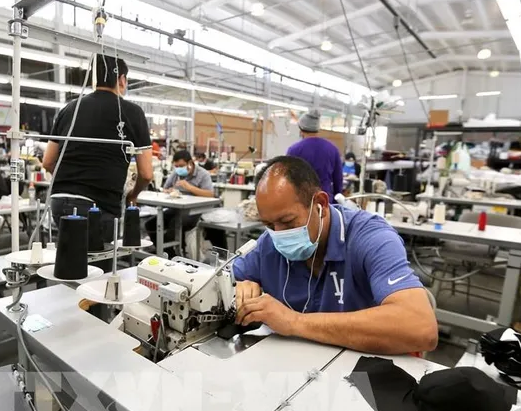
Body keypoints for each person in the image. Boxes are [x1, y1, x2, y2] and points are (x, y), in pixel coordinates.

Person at [233, 156, 437, 355]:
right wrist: (238, 287)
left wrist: (293, 321)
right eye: (269, 225)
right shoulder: (269, 243)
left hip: (362, 367)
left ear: (320, 204)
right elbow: (223, 277)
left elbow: (420, 328)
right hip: (299, 363)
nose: (279, 234)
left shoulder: (370, 238)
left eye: (288, 222)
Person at [43, 54, 153, 249]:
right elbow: (146, 174)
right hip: (98, 206)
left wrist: (70, 182)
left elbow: (48, 162)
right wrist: (133, 195)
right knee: (97, 264)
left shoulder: (69, 109)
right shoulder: (133, 112)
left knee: (69, 259)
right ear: (122, 79)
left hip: (59, 201)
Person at [146, 150, 225, 254]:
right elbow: (165, 188)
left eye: (181, 166)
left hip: (195, 211)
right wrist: (169, 191)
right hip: (177, 208)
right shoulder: (176, 174)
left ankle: (176, 253)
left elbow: (210, 194)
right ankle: (166, 252)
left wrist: (189, 187)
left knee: (175, 225)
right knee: (150, 224)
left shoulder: (203, 174)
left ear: (190, 163)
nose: (179, 169)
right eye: (176, 166)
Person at [286, 110, 342, 202]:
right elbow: (338, 180)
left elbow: (289, 179)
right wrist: (335, 202)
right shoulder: (332, 149)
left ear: (301, 129)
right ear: (317, 129)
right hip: (325, 200)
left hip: (302, 201)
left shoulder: (294, 150)